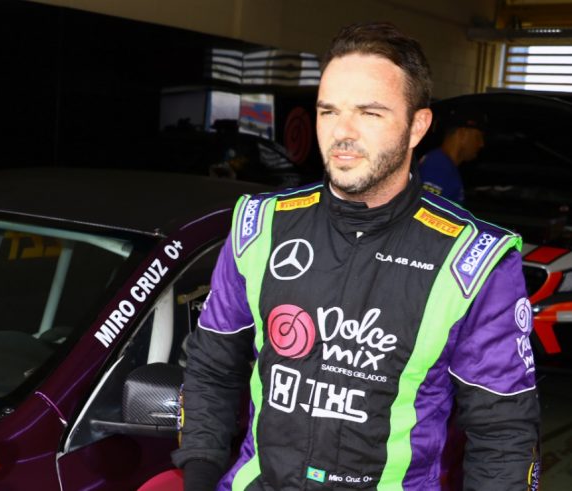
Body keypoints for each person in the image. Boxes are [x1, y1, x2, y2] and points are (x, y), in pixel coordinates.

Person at [172, 21, 540, 491]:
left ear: (417, 126)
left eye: (369, 112)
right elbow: (211, 368)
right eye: (329, 111)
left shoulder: (475, 259)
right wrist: (200, 475)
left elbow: (503, 433)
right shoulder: (259, 225)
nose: (342, 132)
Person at [419, 109, 487, 204]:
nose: (481, 144)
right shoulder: (438, 165)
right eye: (478, 137)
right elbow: (426, 208)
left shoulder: (445, 165)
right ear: (462, 133)